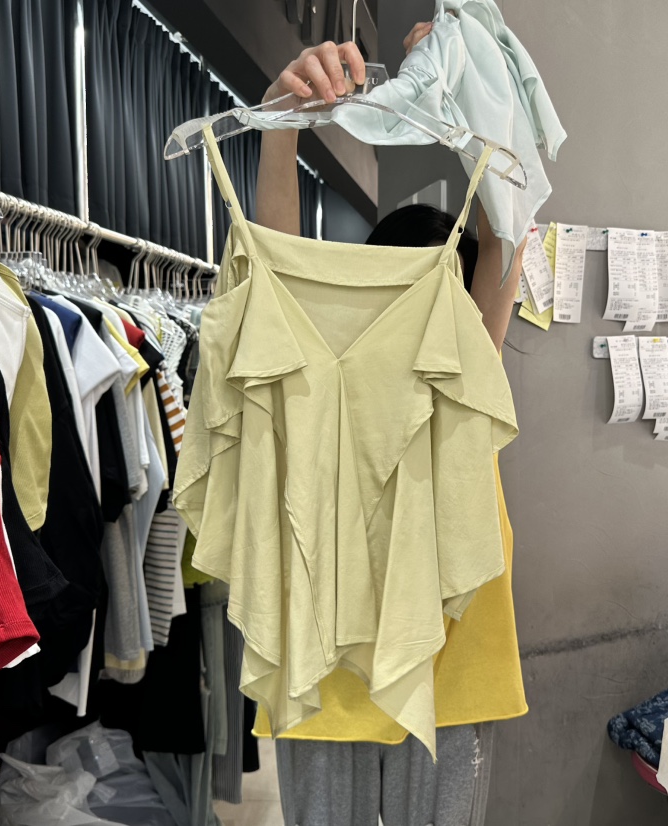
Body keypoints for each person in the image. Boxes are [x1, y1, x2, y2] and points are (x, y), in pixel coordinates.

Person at [253, 30, 527, 826]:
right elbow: (275, 259)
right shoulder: (319, 362)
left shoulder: (470, 358)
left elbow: (506, 231)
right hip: (334, 672)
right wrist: (279, 122)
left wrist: (474, 81)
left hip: (441, 670)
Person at [256, 27, 525, 354]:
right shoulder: (326, 357)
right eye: (406, 288)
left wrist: (478, 67)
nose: (420, 314)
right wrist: (281, 117)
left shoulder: (471, 359)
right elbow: (279, 267)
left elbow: (503, 243)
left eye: (443, 294)